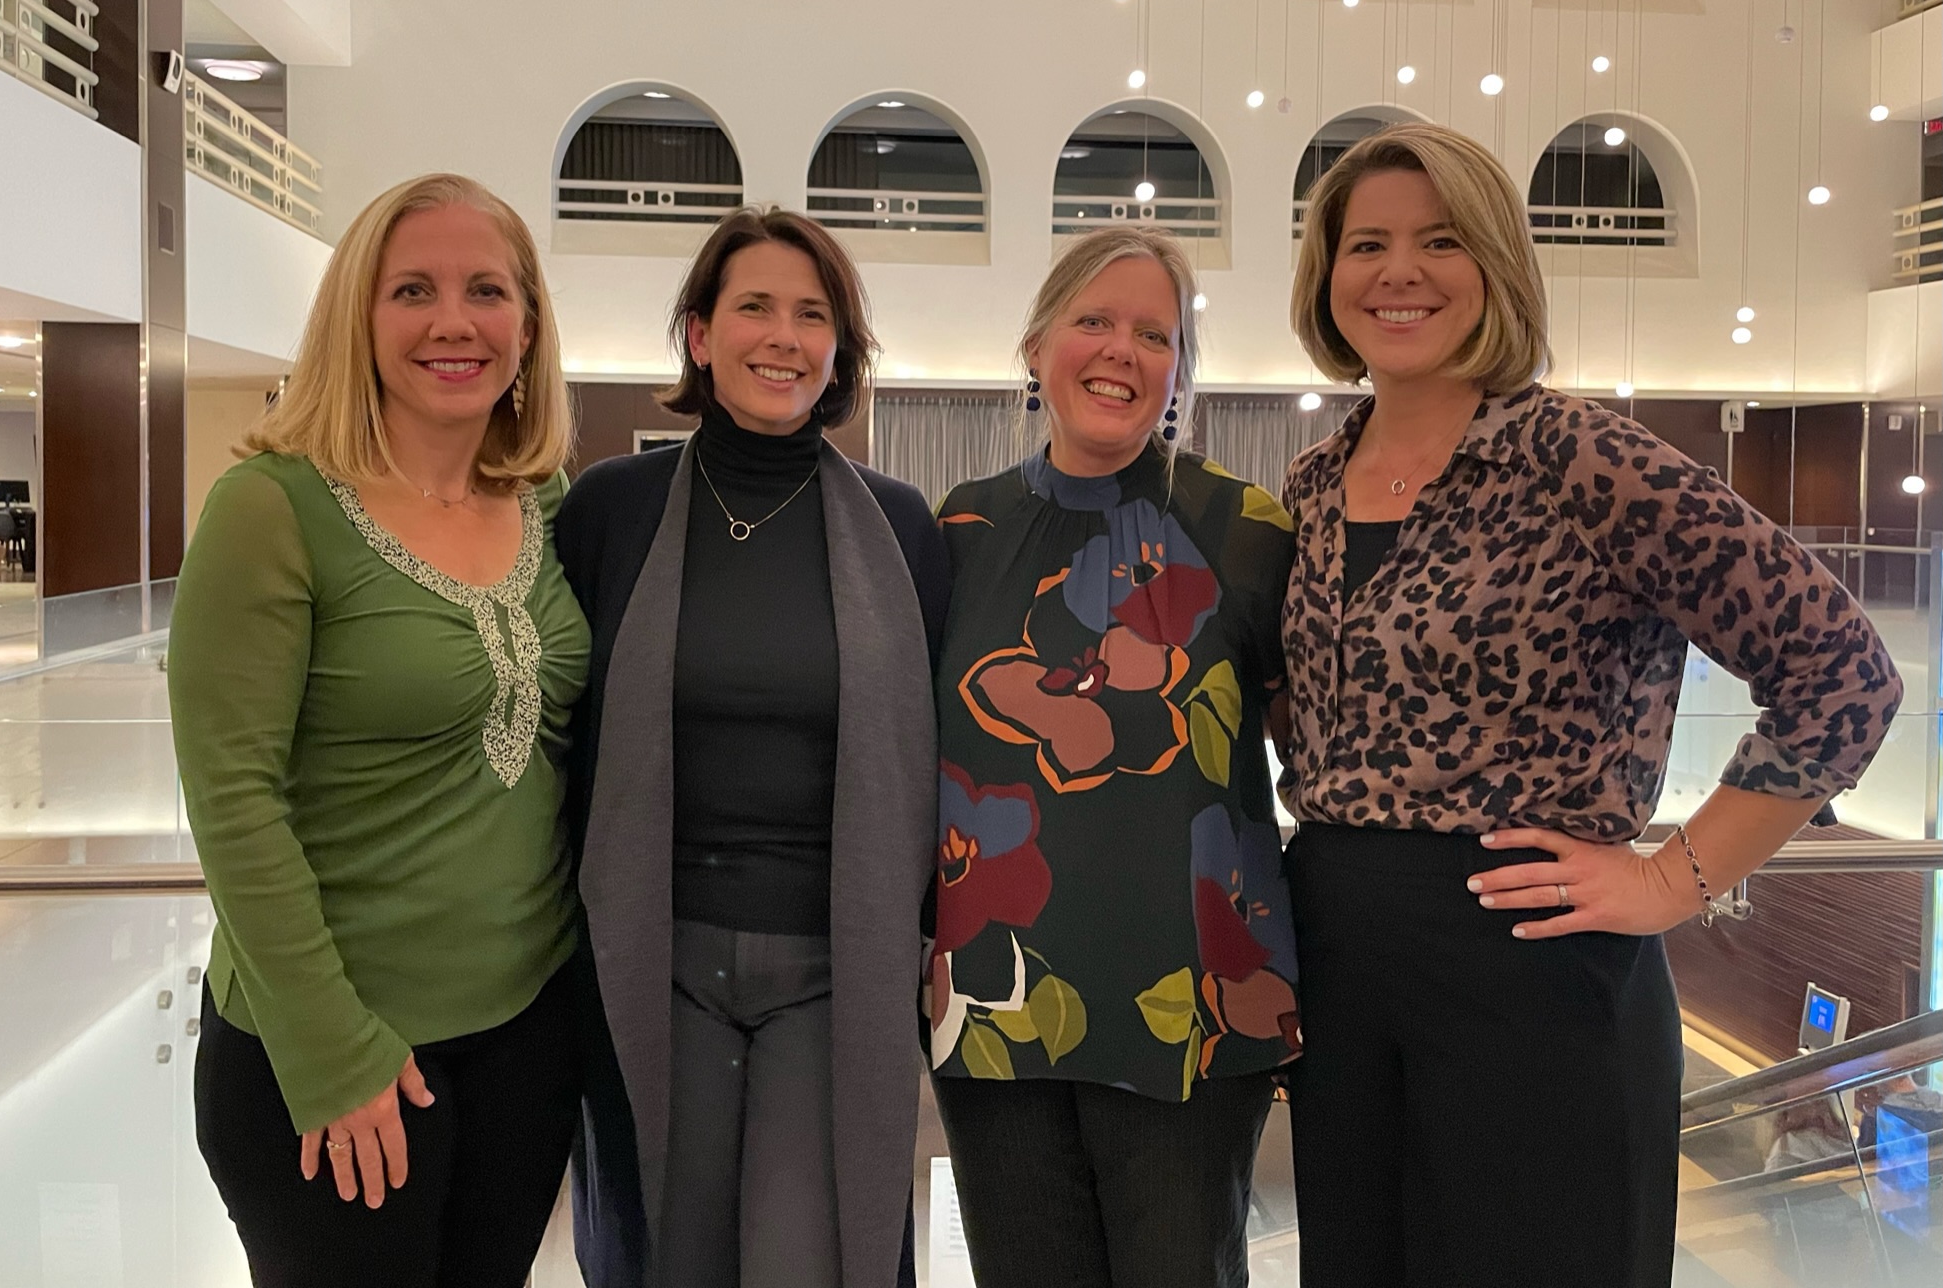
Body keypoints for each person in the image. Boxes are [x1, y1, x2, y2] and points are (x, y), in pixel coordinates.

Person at [1276, 122, 1903, 1288]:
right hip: (1340, 970)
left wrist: (1674, 880)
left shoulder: (1583, 460)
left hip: (1535, 969)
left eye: (1441, 240)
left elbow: (1843, 673)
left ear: (1498, 264)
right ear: (1327, 275)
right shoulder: (1311, 487)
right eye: (1366, 244)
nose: (1400, 271)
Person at [169, 174, 592, 1287]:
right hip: (339, 1053)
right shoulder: (271, 508)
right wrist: (330, 1050)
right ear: (356, 317)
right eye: (413, 290)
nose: (454, 321)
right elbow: (232, 801)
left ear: (527, 325)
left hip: (525, 1036)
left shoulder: (545, 501)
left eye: (486, 290)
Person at [555, 206, 947, 1288]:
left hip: (833, 967)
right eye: (755, 308)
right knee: (668, 1255)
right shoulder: (609, 511)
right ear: (699, 333)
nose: (784, 336)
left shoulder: (901, 528)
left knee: (806, 1257)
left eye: (812, 315)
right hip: (656, 956)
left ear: (840, 349)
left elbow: (942, 759)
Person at [928, 226, 1299, 1288]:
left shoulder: (1245, 529)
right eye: (1093, 320)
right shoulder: (959, 530)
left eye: (1154, 334)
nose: (1121, 351)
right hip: (996, 1008)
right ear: (1036, 346)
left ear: (1179, 370)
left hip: (1191, 1008)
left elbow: (1315, 747)